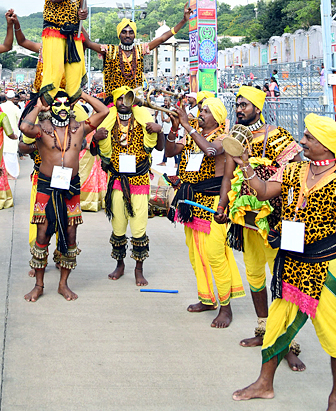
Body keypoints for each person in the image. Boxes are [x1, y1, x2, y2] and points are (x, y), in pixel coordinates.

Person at [231, 114, 336, 407]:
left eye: (309, 138)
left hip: (327, 267)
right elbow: (265, 191)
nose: (302, 141)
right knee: (277, 323)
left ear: (326, 146)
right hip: (292, 262)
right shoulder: (294, 171)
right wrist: (245, 164)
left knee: (334, 334)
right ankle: (264, 383)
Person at [216, 85, 304, 371]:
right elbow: (228, 177)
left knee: (281, 280)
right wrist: (222, 206)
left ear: (257, 108)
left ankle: (287, 343)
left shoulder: (279, 137)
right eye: (237, 104)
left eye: (244, 105)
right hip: (247, 224)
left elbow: (296, 174)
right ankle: (263, 330)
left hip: (274, 223)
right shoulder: (235, 138)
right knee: (255, 277)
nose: (239, 109)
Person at [20, 90, 108, 301]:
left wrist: (83, 96)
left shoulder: (80, 128)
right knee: (42, 233)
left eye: (65, 104)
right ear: (51, 109)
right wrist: (38, 108)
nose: (61, 108)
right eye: (56, 104)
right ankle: (39, 285)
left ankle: (63, 284)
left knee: (71, 234)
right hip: (46, 186)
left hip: (71, 187)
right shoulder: (41, 130)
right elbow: (24, 127)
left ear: (71, 107)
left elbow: (104, 110)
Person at [165, 96, 245, 327]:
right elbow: (170, 152)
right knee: (195, 253)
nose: (201, 113)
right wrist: (174, 128)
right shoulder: (193, 134)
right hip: (191, 203)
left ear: (217, 117)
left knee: (214, 254)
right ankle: (207, 298)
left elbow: (211, 151)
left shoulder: (224, 138)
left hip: (213, 204)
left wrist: (189, 127)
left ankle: (225, 307)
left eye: (207, 111)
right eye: (201, 109)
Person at [94, 85, 163, 286]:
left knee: (139, 226)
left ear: (133, 101)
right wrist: (97, 139)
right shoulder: (108, 121)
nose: (123, 103)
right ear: (114, 103)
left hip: (139, 180)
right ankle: (120, 264)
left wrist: (159, 131)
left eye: (127, 99)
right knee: (118, 225)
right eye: (119, 99)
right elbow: (93, 149)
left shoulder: (143, 119)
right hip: (116, 180)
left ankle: (139, 269)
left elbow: (158, 147)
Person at [83, 6, 191, 97]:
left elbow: (162, 38)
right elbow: (88, 43)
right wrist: (79, 21)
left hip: (135, 101)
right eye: (124, 32)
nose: (127, 35)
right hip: (114, 101)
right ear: (119, 35)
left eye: (131, 32)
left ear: (134, 35)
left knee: (147, 122)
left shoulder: (140, 50)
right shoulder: (110, 51)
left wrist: (183, 21)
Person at [39, 0, 91, 104]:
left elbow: (83, 5)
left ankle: (70, 112)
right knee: (53, 75)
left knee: (75, 76)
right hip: (55, 30)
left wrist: (83, 13)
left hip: (74, 32)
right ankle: (44, 112)